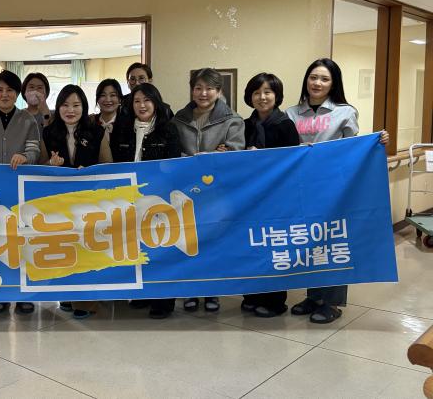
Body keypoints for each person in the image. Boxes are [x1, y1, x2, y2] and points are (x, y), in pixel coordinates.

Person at [286, 58, 389, 324]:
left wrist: (376, 142)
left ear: (333, 84)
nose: (317, 83)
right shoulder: (292, 113)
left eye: (324, 79)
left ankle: (331, 302)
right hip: (300, 189)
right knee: (309, 242)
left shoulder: (345, 112)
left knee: (332, 242)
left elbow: (353, 149)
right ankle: (314, 296)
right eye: (313, 77)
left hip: (334, 189)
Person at [170, 67, 245, 313]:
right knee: (188, 240)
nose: (203, 93)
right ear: (192, 89)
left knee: (213, 241)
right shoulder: (179, 119)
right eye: (198, 88)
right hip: (185, 191)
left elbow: (235, 153)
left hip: (216, 194)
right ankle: (191, 290)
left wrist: (214, 156)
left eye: (209, 88)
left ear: (218, 91)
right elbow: (172, 151)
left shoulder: (232, 119)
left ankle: (213, 291)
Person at [109, 82, 181, 318]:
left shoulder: (168, 129)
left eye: (147, 100)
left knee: (160, 246)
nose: (142, 105)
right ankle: (144, 294)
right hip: (129, 199)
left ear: (156, 103)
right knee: (138, 246)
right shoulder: (122, 129)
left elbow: (173, 167)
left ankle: (163, 300)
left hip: (158, 198)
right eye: (137, 101)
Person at [40, 84, 112, 319]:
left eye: (76, 105)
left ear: (84, 107)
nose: (70, 110)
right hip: (59, 203)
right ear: (58, 106)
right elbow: (38, 169)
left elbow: (108, 166)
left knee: (87, 249)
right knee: (65, 248)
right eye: (65, 105)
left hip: (89, 203)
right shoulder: (48, 133)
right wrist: (51, 166)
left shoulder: (97, 131)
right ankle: (67, 296)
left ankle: (86, 303)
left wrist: (89, 171)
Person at [0, 70, 40, 315]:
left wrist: (25, 156)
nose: (4, 95)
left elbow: (34, 150)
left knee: (23, 239)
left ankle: (25, 293)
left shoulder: (27, 120)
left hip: (20, 188)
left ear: (17, 93)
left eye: (10, 90)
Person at [239, 73, 300, 318]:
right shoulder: (244, 125)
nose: (262, 97)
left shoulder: (285, 125)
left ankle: (275, 300)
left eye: (267, 92)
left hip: (277, 197)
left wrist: (262, 157)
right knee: (251, 244)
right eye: (256, 92)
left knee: (274, 246)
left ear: (276, 96)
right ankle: (252, 295)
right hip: (249, 197)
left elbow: (292, 162)